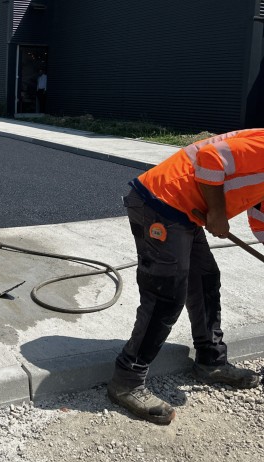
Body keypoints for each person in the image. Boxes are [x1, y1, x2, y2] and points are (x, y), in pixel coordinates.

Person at [108, 129, 262, 425]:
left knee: (204, 280)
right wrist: (218, 212)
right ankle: (126, 380)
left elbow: (261, 216)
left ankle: (210, 362)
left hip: (185, 211)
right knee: (166, 295)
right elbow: (210, 157)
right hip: (159, 201)